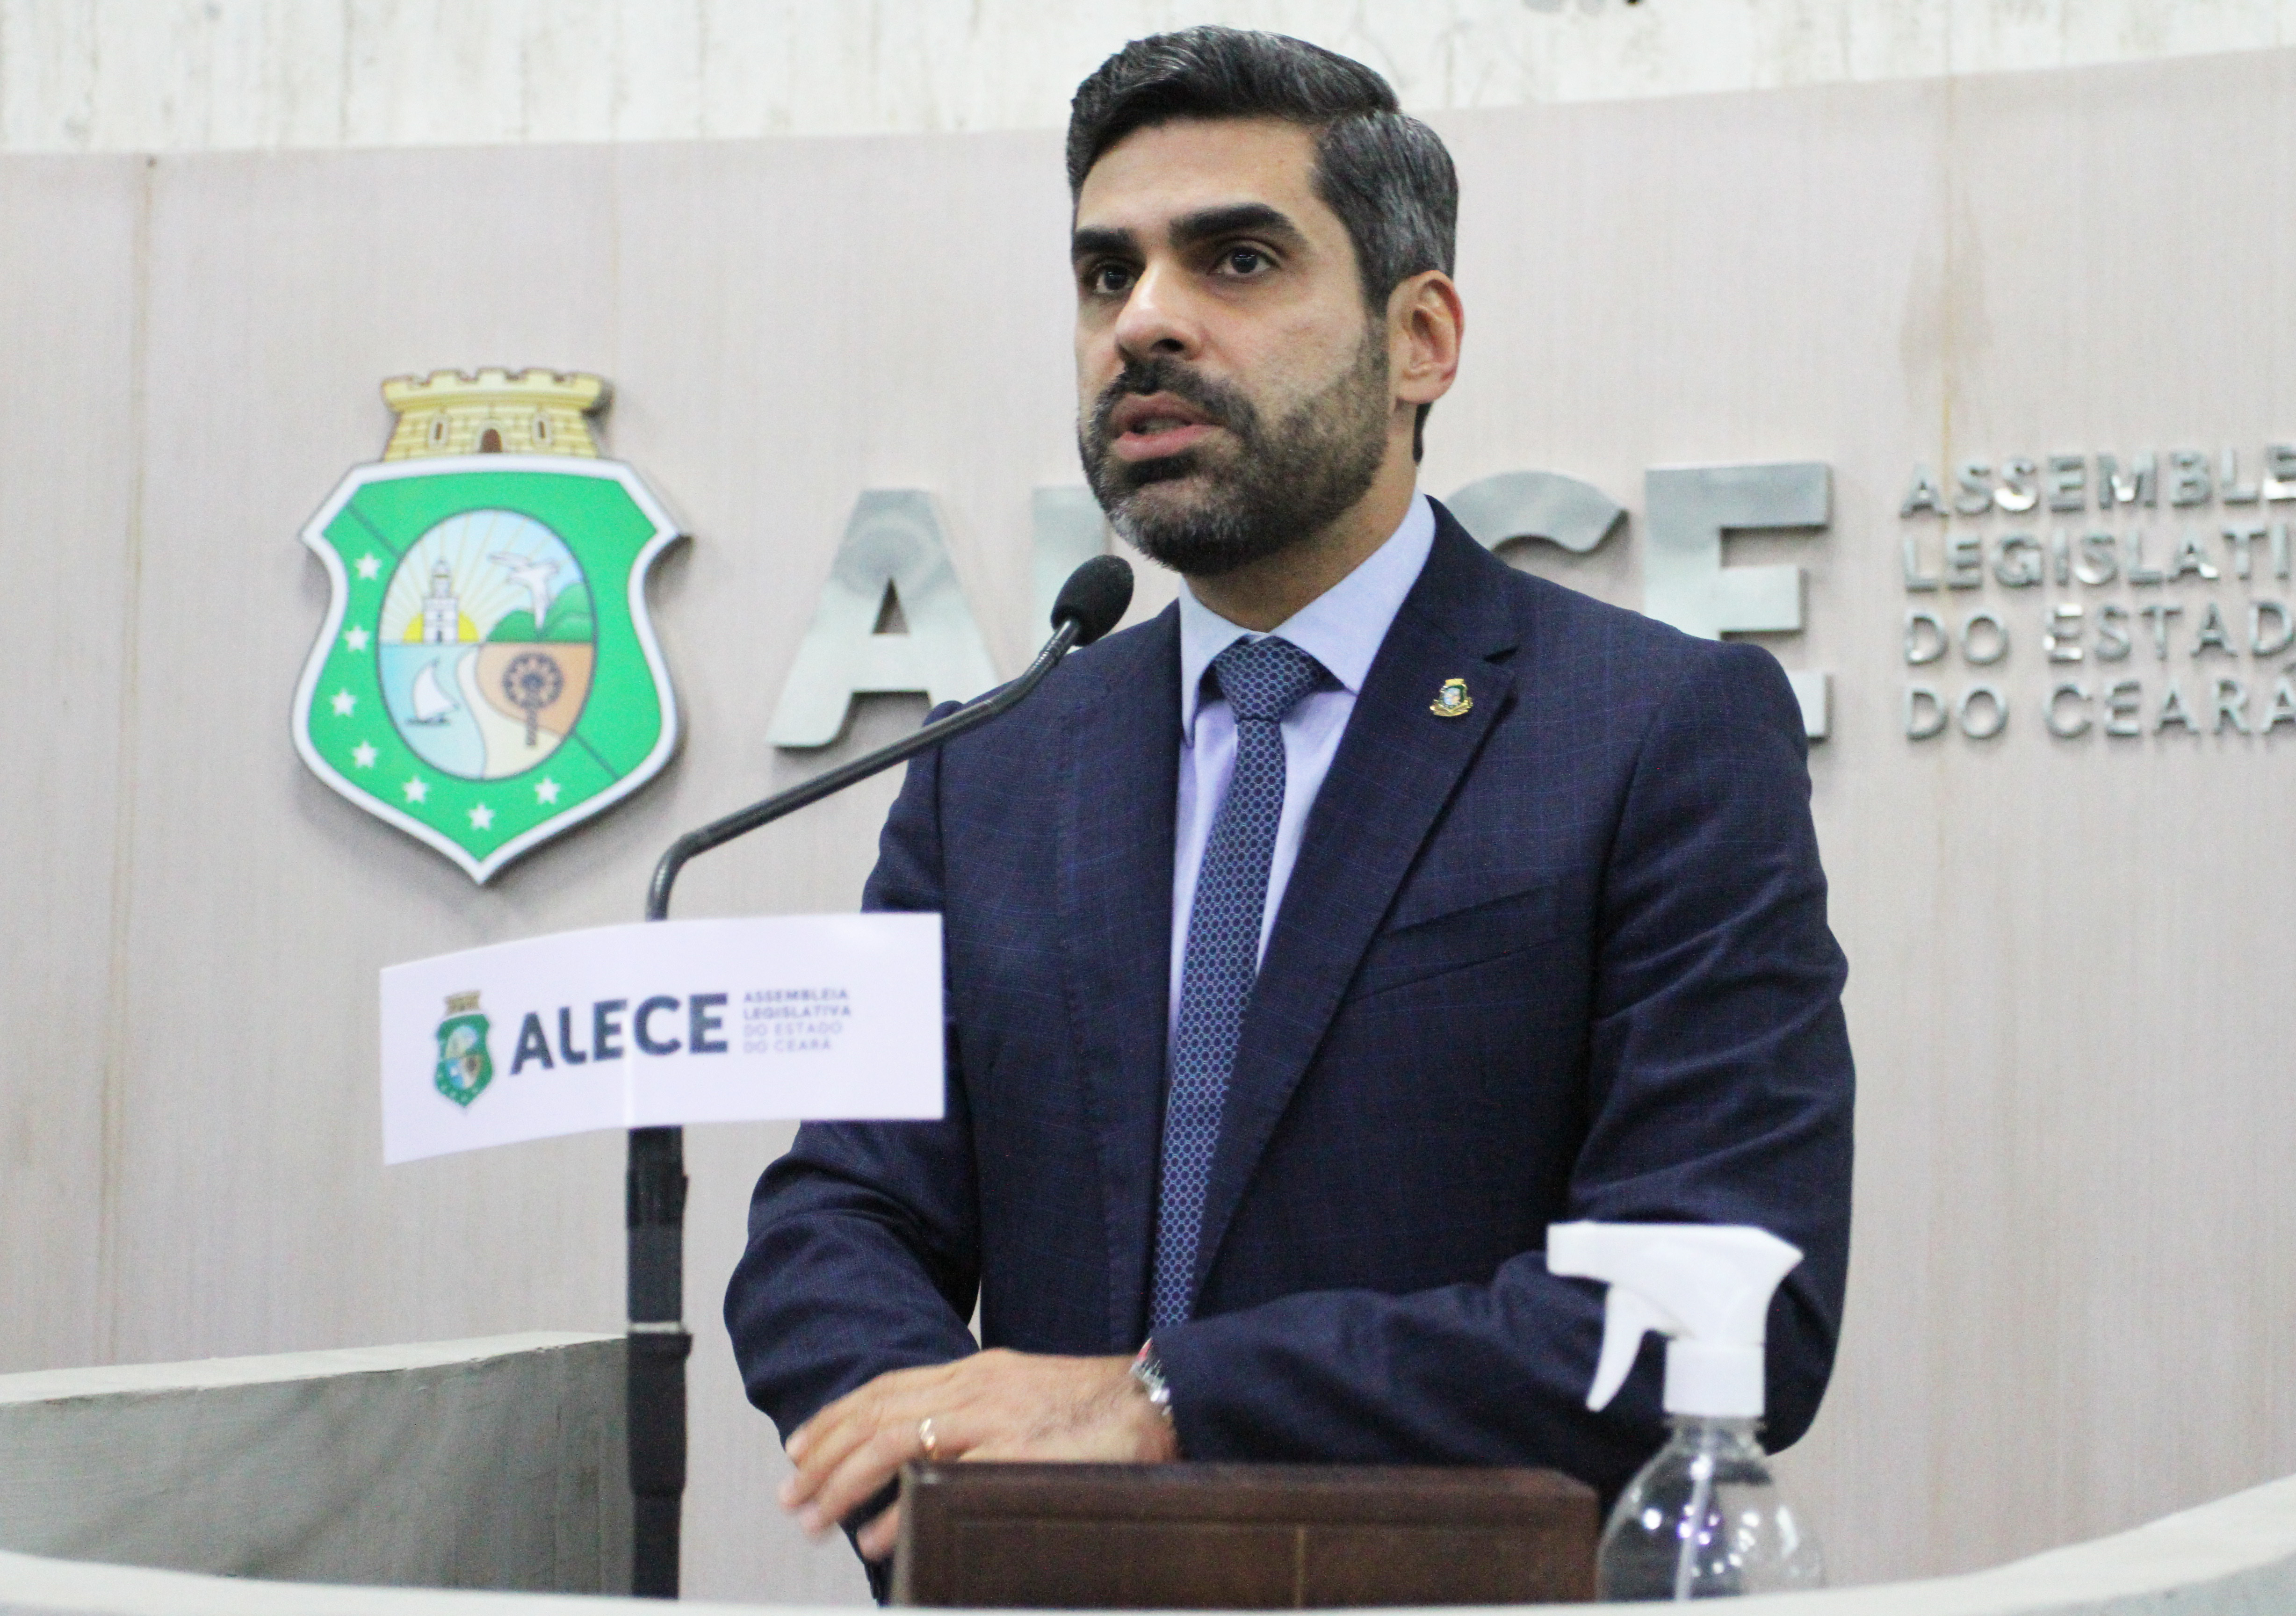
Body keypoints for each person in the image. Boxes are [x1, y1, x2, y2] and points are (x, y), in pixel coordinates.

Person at [727, 24, 1854, 1587]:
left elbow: (1721, 1299)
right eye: (1106, 275)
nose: (1145, 322)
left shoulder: (1650, 731)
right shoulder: (999, 764)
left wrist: (1164, 1404)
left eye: (1238, 261)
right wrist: (935, 1462)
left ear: (1421, 339)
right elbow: (837, 1219)